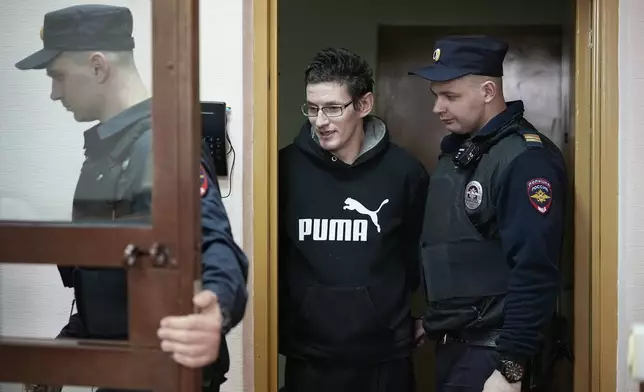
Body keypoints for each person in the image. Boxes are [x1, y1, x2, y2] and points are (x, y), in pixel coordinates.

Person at [15, 5, 248, 392]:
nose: (54, 92)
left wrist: (215, 309)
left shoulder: (160, 147)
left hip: (160, 377)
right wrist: (65, 349)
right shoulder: (110, 151)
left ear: (97, 66)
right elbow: (112, 285)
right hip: (124, 371)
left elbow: (214, 245)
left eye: (57, 76)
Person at [408, 36, 568, 392]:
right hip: (455, 347)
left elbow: (535, 268)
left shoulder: (525, 160)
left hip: (493, 355)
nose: (438, 107)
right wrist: (434, 321)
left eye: (450, 96)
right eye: (436, 95)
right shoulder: (463, 153)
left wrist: (511, 368)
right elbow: (460, 255)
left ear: (487, 91)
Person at [278, 47, 429, 392]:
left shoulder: (404, 172)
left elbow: (420, 254)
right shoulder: (283, 169)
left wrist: (426, 317)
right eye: (313, 108)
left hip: (384, 357)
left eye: (333, 108)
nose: (320, 121)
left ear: (363, 105)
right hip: (310, 355)